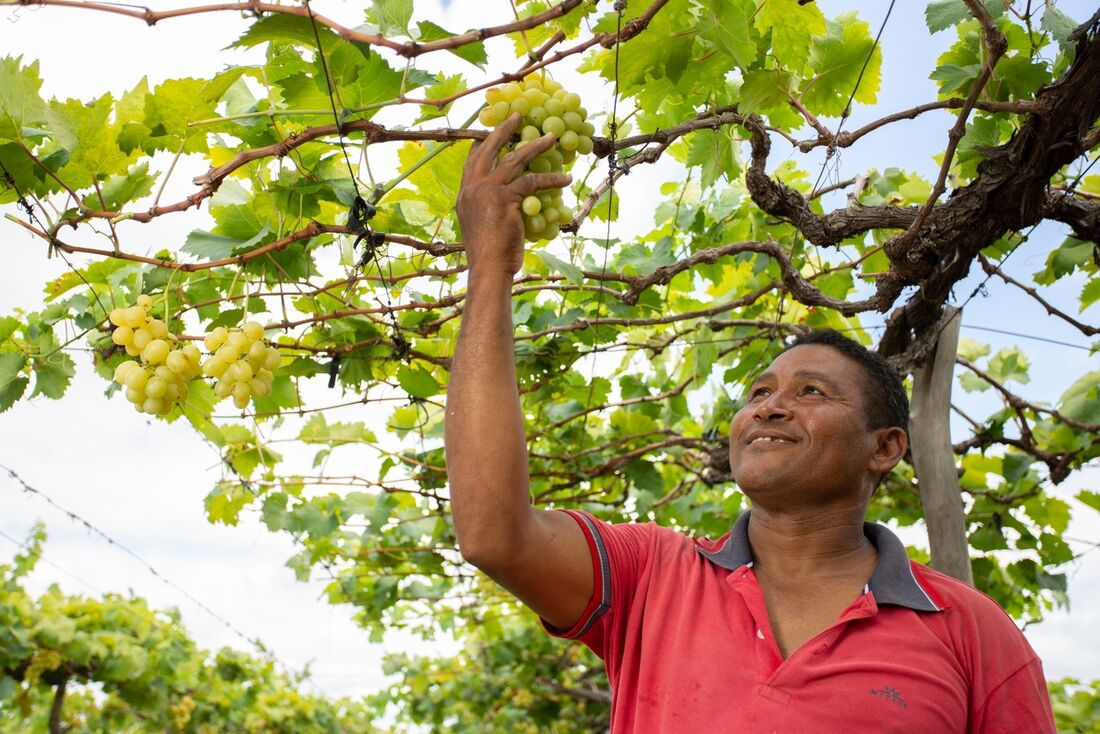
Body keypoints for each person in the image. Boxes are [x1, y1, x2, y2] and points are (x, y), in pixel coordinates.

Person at [444, 113, 1056, 733]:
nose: (768, 406)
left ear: (886, 447)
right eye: (759, 391)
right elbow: (494, 536)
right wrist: (490, 269)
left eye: (810, 391)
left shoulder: (974, 633)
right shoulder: (652, 575)